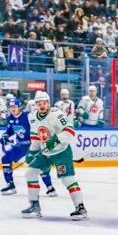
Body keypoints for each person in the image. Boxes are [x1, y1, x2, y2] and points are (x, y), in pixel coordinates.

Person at [19, 92, 87, 221]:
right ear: (36, 105)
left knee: (67, 179)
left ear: (48, 103)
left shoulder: (57, 114)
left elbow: (71, 131)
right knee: (30, 173)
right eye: (39, 103)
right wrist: (32, 152)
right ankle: (34, 206)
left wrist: (57, 139)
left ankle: (80, 207)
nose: (42, 106)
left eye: (44, 103)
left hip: (62, 151)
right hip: (45, 153)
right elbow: (36, 136)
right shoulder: (32, 116)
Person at [0, 96, 54, 196]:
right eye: (11, 107)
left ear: (19, 107)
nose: (12, 109)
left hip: (33, 146)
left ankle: (50, 187)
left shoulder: (28, 116)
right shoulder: (10, 118)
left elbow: (37, 128)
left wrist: (38, 143)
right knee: (5, 159)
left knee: (39, 165)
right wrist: (5, 136)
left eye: (14, 106)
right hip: (20, 147)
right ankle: (10, 184)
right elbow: (10, 130)